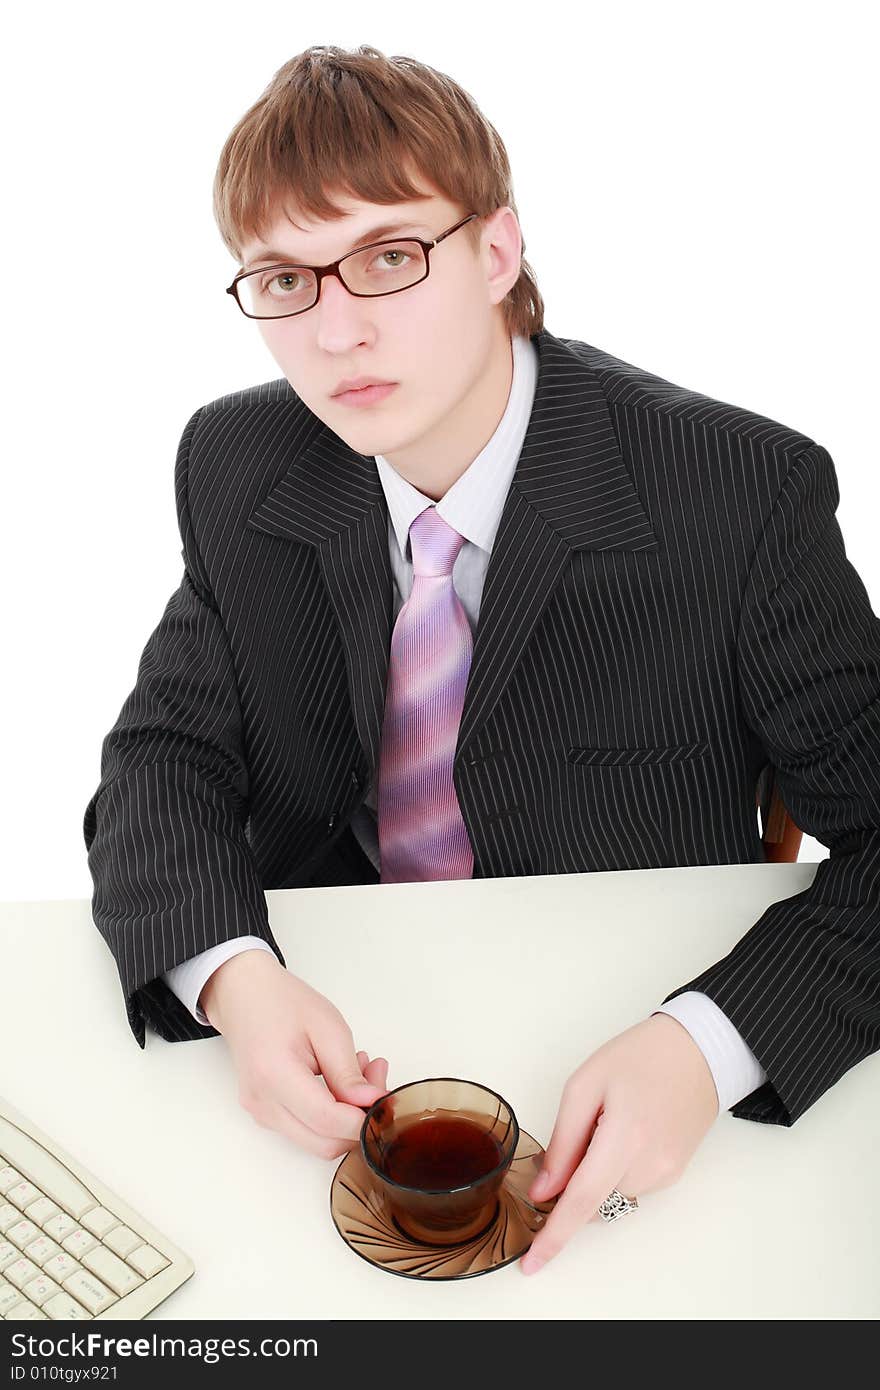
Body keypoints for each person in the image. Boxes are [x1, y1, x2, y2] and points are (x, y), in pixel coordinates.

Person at [83, 43, 880, 1277]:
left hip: (628, 1007)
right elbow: (164, 756)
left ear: (497, 253)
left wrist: (713, 1043)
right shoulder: (240, 462)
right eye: (284, 279)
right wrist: (232, 976)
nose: (337, 330)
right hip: (351, 1014)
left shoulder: (738, 494)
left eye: (390, 257)